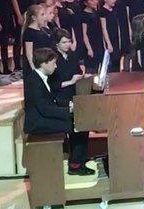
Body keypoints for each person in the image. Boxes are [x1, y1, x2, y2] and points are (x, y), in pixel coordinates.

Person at [23, 47, 92, 176]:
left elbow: (52, 100)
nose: (56, 67)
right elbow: (45, 109)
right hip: (38, 123)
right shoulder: (33, 81)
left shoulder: (41, 76)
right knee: (79, 125)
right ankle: (75, 165)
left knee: (81, 123)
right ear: (44, 63)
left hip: (43, 116)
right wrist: (68, 110)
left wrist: (69, 104)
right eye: (53, 63)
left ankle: (78, 161)